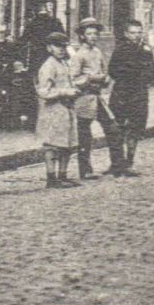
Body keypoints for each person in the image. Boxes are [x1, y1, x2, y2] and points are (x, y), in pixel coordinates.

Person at [107, 19, 154, 173]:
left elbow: (152, 74)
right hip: (121, 92)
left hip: (139, 93)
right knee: (117, 128)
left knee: (135, 128)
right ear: (126, 34)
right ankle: (116, 163)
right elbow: (112, 70)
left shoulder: (146, 50)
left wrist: (137, 77)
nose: (136, 36)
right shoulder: (120, 50)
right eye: (133, 33)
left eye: (139, 32)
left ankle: (129, 162)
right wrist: (130, 74)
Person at [69, 18, 113, 180]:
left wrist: (105, 79)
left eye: (95, 33)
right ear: (82, 36)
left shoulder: (97, 52)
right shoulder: (79, 55)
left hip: (97, 98)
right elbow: (73, 80)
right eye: (89, 33)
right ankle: (85, 170)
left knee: (112, 128)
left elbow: (104, 71)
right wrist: (92, 78)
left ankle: (117, 164)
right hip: (84, 99)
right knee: (85, 136)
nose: (93, 36)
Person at [36, 30, 77, 189]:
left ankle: (63, 175)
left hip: (67, 108)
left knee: (67, 143)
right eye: (57, 46)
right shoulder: (48, 66)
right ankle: (51, 177)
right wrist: (64, 92)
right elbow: (43, 91)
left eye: (63, 46)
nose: (61, 49)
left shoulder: (64, 63)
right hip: (53, 109)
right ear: (49, 48)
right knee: (52, 145)